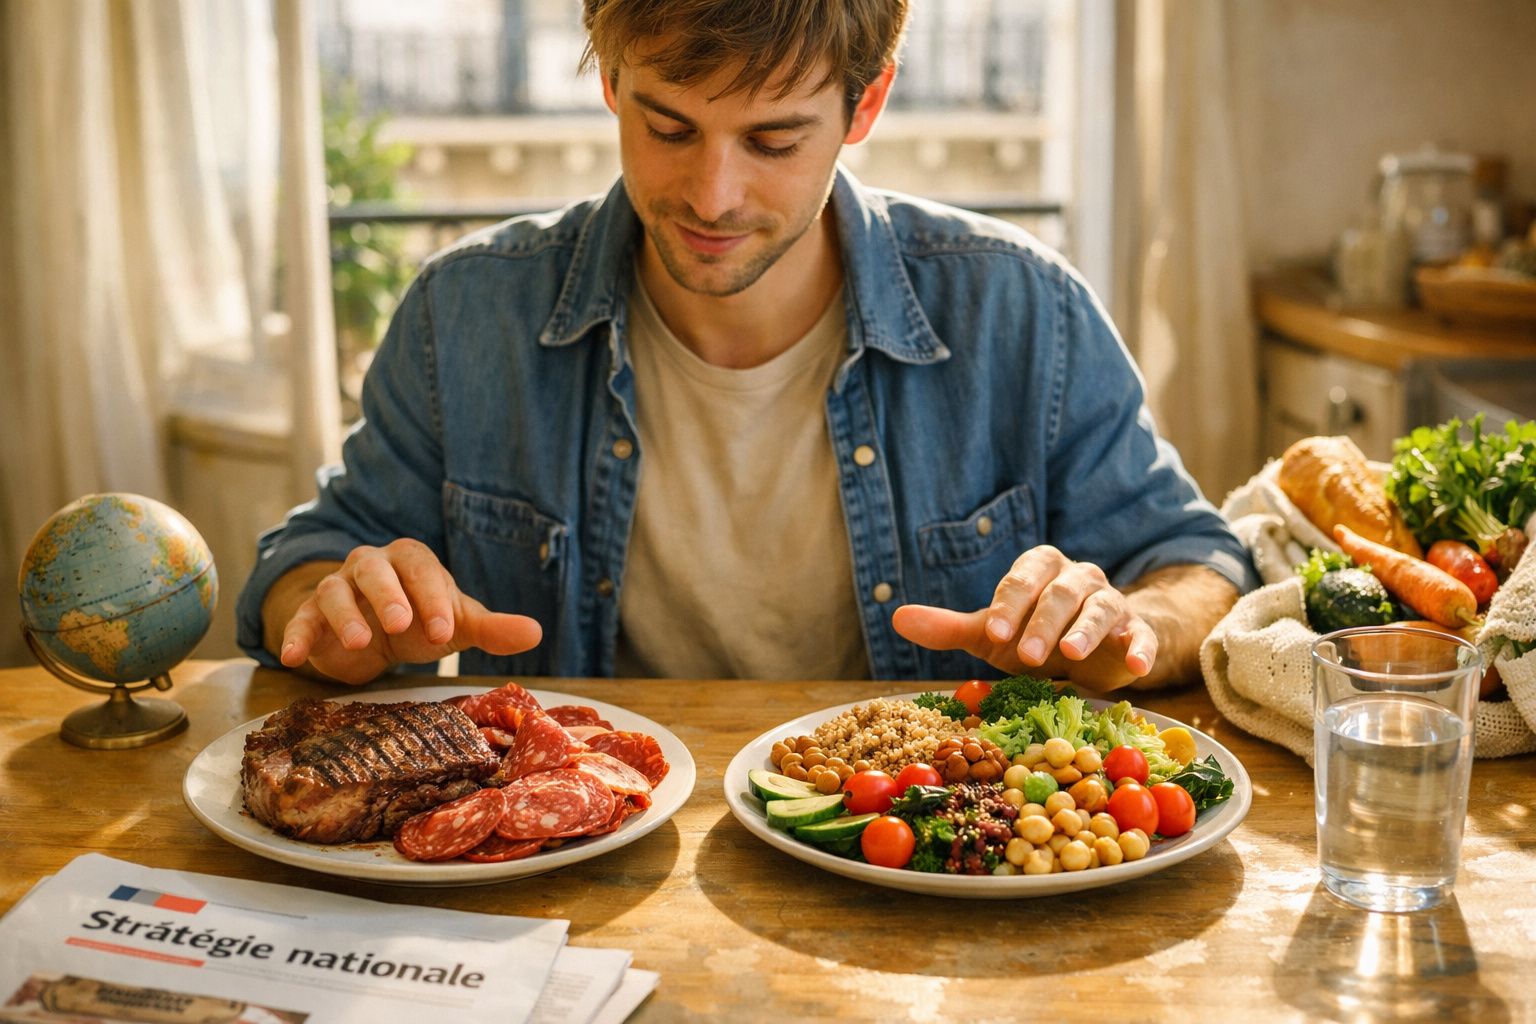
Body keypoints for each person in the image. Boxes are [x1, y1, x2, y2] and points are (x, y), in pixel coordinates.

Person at [237, 0, 1258, 691]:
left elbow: (1197, 562)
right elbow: (304, 562)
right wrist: (340, 610)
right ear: (610, 84)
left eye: (773, 141)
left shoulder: (1022, 310)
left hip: (916, 877)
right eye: (668, 126)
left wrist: (1130, 627)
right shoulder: (465, 315)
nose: (712, 196)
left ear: (867, 105)